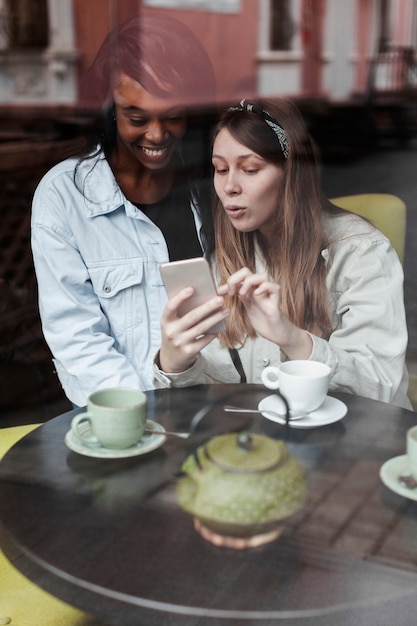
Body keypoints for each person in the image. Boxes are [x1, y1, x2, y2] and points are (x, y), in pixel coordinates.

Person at [154, 98, 411, 409]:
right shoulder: (224, 257)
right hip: (263, 445)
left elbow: (382, 390)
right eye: (220, 169)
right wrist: (175, 364)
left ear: (292, 173)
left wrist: (295, 340)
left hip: (350, 446)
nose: (229, 186)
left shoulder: (361, 252)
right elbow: (216, 400)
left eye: (250, 169)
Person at [31, 15, 216, 406]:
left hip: (214, 402)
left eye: (173, 115)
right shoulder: (65, 198)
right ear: (109, 110)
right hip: (123, 418)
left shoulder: (209, 182)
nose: (156, 134)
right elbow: (77, 338)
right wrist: (141, 419)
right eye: (137, 117)